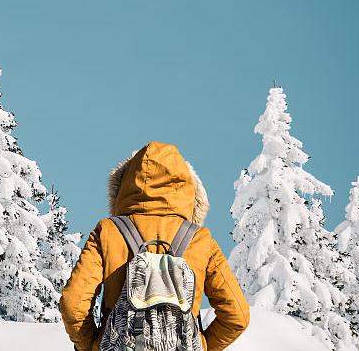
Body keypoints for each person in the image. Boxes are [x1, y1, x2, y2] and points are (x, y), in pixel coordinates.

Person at [60, 141, 250, 351]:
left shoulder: (108, 232)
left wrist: (95, 345)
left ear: (124, 185)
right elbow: (237, 316)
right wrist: (200, 345)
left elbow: (72, 305)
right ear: (188, 188)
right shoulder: (200, 240)